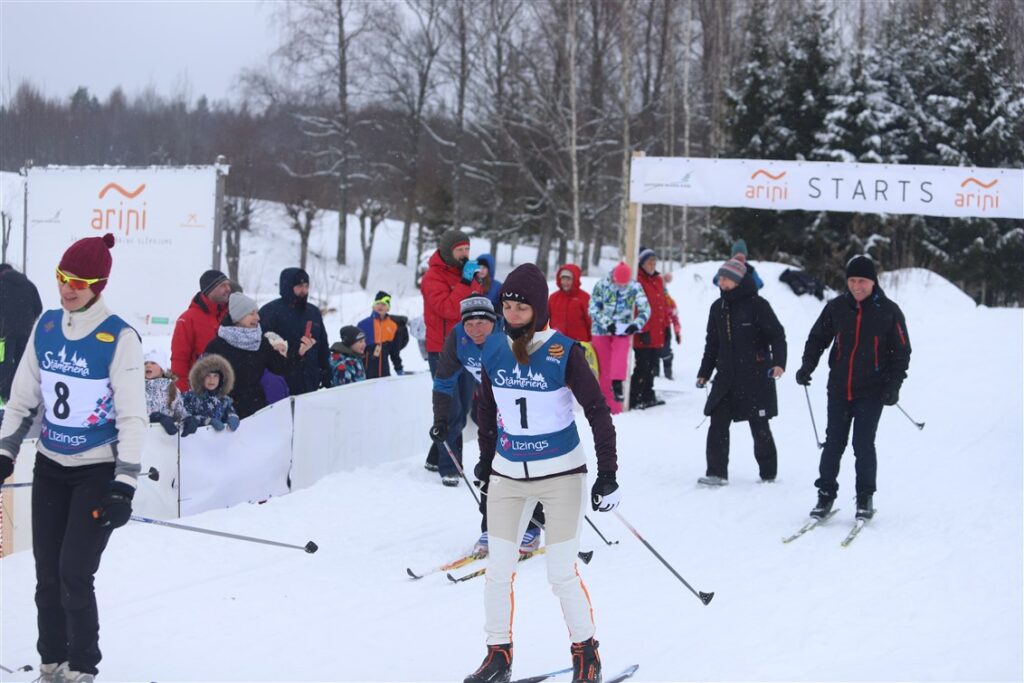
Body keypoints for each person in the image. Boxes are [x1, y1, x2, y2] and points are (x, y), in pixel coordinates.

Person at [0, 234, 146, 682]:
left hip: (95, 471)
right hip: (50, 466)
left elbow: (133, 417)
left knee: (74, 573)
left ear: (98, 285)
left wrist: (124, 484)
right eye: (62, 277)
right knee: (46, 574)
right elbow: (22, 399)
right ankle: (51, 662)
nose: (67, 288)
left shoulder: (118, 337)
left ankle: (82, 666)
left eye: (79, 282)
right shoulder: (46, 326)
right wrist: (5, 450)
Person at [465, 264, 619, 683]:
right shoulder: (493, 349)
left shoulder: (563, 351)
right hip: (508, 476)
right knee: (498, 570)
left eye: (521, 307)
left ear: (538, 308)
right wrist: (486, 460)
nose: (512, 314)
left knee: (561, 572)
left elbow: (598, 412)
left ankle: (586, 655)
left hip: (561, 476)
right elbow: (486, 410)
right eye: (507, 306)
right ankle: (498, 656)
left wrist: (608, 473)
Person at [796, 255, 911, 521]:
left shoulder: (889, 311)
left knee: (863, 444)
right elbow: (817, 339)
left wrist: (894, 384)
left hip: (872, 391)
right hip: (839, 388)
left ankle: (865, 497)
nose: (857, 286)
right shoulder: (836, 307)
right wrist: (807, 366)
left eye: (862, 281)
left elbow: (901, 352)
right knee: (834, 443)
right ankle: (825, 495)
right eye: (852, 280)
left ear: (873, 282)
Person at [696, 256, 787, 486]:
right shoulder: (718, 308)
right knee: (717, 422)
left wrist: (779, 363)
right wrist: (704, 372)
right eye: (720, 279)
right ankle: (716, 473)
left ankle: (768, 474)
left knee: (759, 426)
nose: (721, 283)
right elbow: (712, 345)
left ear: (738, 280)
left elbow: (777, 335)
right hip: (726, 377)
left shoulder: (758, 305)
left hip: (755, 377)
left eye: (726, 279)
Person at [421, 228, 485, 472]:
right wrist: (466, 282)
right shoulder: (432, 277)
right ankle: (451, 467)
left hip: (467, 347)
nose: (465, 254)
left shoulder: (466, 274)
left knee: (464, 407)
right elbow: (448, 309)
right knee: (451, 409)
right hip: (441, 349)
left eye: (467, 249)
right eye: (460, 250)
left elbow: (476, 307)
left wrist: (475, 282)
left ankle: (434, 458)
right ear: (448, 251)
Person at [204, 292, 311, 420]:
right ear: (238, 317)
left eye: (257, 313)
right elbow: (202, 381)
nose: (258, 317)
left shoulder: (260, 342)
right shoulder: (217, 346)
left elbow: (281, 366)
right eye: (252, 314)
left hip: (257, 412)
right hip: (226, 415)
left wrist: (300, 353)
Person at [258, 267, 331, 396]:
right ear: (287, 287)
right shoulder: (270, 312)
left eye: (306, 286)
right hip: (282, 382)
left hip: (311, 380)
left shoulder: (313, 312)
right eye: (299, 286)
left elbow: (323, 346)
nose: (304, 290)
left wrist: (326, 371)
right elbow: (262, 348)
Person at [588, 261, 649, 414]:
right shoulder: (601, 285)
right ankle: (605, 408)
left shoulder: (634, 286)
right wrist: (607, 323)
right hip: (601, 330)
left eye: (624, 285)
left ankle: (617, 387)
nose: (621, 287)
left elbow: (645, 309)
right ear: (613, 278)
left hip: (623, 329)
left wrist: (636, 324)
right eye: (619, 284)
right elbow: (593, 308)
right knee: (603, 369)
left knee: (619, 358)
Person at [170, 269, 231, 392]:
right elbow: (179, 360)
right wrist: (183, 392)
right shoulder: (187, 319)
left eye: (228, 285)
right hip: (200, 392)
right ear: (210, 289)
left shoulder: (232, 315)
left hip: (230, 391)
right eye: (223, 285)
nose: (228, 289)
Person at [0, 263, 43, 414]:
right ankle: (19, 395)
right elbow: (38, 307)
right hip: (25, 332)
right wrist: (27, 319)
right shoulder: (29, 285)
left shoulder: (2, 285)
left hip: (5, 333)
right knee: (22, 364)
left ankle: (5, 395)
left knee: (5, 363)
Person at [630, 248, 670, 409]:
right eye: (648, 262)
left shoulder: (658, 280)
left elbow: (663, 306)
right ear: (641, 263)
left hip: (657, 331)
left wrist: (666, 326)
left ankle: (648, 394)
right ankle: (634, 396)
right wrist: (643, 329)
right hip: (644, 333)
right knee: (642, 366)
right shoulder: (637, 280)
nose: (652, 265)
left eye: (654, 262)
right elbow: (636, 308)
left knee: (653, 366)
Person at [143, 349, 197, 437]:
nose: (148, 365)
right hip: (146, 436)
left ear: (162, 369)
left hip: (167, 439)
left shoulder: (171, 388)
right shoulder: (138, 387)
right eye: (145, 363)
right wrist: (154, 417)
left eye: (153, 363)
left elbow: (179, 411)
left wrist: (188, 419)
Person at [182, 354, 241, 432]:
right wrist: (206, 421)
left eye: (215, 376)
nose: (211, 380)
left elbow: (230, 411)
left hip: (217, 438)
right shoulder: (190, 397)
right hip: (196, 438)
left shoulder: (224, 399)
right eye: (208, 375)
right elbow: (184, 417)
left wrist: (233, 417)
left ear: (221, 378)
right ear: (200, 377)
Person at [358, 291, 405, 379]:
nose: (380, 306)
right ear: (373, 306)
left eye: (383, 304)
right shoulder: (363, 324)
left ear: (388, 308)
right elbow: (356, 351)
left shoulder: (392, 326)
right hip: (366, 373)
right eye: (378, 303)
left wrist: (399, 368)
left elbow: (394, 351)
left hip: (385, 373)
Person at [547, 263, 592, 343]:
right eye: (563, 279)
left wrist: (592, 340)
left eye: (568, 279)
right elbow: (546, 320)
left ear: (575, 279)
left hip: (579, 342)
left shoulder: (584, 298)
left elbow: (590, 321)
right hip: (558, 342)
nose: (565, 282)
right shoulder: (553, 298)